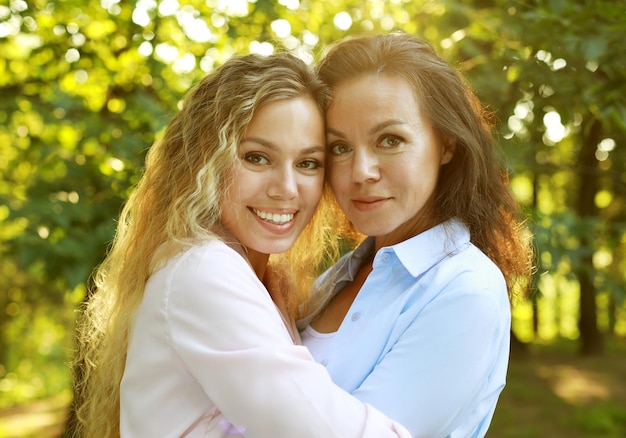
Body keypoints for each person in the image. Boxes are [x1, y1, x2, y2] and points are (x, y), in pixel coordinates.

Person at [68, 52, 411, 437]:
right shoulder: (203, 271)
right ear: (205, 162)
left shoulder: (260, 281)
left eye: (308, 163)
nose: (285, 188)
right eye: (257, 157)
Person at [299, 32, 534, 438]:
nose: (361, 172)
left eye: (390, 140)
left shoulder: (464, 289)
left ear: (446, 144)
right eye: (339, 147)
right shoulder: (339, 276)